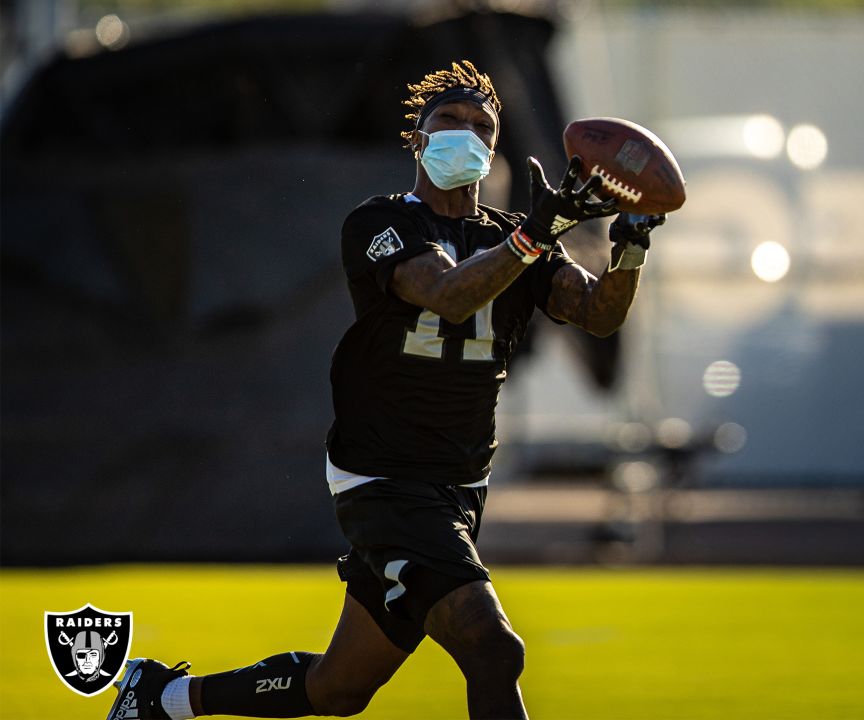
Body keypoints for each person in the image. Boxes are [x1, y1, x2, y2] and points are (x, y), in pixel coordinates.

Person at [105, 59, 665, 720]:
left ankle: (159, 699)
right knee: (493, 647)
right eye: (448, 121)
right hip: (383, 477)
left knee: (341, 688)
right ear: (417, 139)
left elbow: (598, 313)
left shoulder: (511, 234)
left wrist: (629, 245)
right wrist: (535, 234)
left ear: (495, 147)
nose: (466, 133)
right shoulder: (379, 222)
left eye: (481, 125)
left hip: (456, 484)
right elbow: (448, 296)